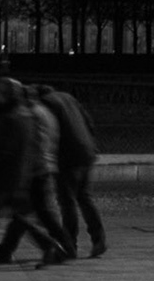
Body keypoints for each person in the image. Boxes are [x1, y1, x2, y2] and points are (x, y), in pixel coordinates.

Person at [0, 79, 67, 270]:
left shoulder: (11, 116)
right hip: (17, 176)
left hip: (5, 176)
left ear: (7, 95)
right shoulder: (23, 115)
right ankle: (49, 246)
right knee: (21, 216)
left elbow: (4, 149)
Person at [0, 85, 71, 265]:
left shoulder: (32, 115)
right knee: (27, 212)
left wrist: (22, 171)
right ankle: (5, 250)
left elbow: (31, 145)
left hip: (35, 169)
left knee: (30, 213)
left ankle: (61, 247)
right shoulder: (46, 113)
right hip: (46, 166)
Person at [37, 84, 106, 258]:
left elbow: (50, 131)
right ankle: (99, 239)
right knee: (84, 197)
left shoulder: (46, 103)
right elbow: (89, 122)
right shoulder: (69, 98)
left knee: (67, 202)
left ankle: (70, 244)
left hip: (68, 157)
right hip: (86, 153)